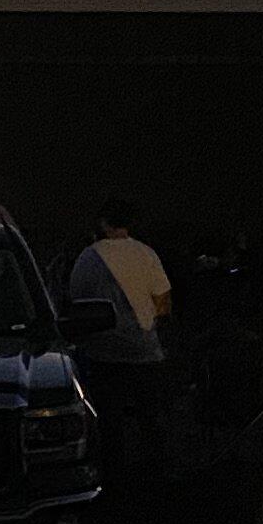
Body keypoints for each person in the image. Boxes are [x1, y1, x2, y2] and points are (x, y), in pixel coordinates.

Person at [68, 199, 172, 481]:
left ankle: (114, 475)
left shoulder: (89, 258)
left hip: (104, 352)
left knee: (108, 419)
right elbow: (163, 303)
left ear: (103, 223)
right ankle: (157, 472)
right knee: (151, 417)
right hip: (144, 351)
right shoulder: (146, 254)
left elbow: (76, 300)